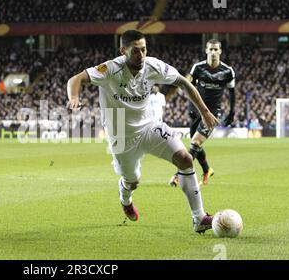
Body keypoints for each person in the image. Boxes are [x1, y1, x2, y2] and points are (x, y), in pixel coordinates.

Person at [67, 30, 218, 233]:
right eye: (135, 51)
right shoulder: (111, 68)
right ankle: (125, 199)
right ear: (123, 50)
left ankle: (199, 218)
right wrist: (74, 98)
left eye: (144, 49)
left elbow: (182, 82)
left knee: (185, 159)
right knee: (133, 181)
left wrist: (205, 112)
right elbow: (75, 79)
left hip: (149, 127)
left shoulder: (153, 66)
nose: (141, 55)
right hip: (121, 137)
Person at [169, 39, 235, 187]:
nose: (213, 52)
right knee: (196, 145)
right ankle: (207, 169)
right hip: (195, 109)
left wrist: (232, 112)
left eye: (215, 49)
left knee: (195, 142)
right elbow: (188, 85)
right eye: (210, 49)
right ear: (206, 51)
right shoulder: (198, 67)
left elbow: (232, 93)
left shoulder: (227, 71)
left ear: (220, 51)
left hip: (211, 113)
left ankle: (179, 175)